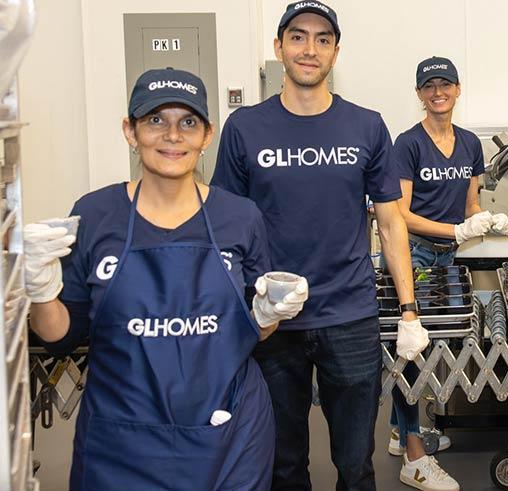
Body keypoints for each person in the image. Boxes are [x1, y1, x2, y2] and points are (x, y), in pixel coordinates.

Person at [24, 68, 308, 490]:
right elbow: (60, 337)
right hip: (120, 443)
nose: (172, 135)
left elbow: (253, 334)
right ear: (130, 130)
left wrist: (269, 314)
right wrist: (41, 290)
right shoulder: (96, 215)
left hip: (227, 438)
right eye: (156, 120)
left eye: (188, 122)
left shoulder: (239, 217)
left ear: (207, 135)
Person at [211, 0, 430, 491]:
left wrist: (409, 310)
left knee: (356, 465)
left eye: (322, 39)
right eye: (298, 37)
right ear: (279, 48)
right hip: (272, 322)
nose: (310, 49)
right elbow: (227, 230)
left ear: (335, 52)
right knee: (282, 464)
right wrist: (240, 307)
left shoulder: (366, 125)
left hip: (349, 315)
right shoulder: (244, 128)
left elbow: (391, 223)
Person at [388, 56, 508, 491]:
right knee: (410, 349)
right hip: (416, 256)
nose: (438, 92)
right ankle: (414, 454)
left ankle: (400, 430)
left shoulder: (470, 143)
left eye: (445, 84)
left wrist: (484, 221)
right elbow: (401, 214)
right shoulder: (407, 144)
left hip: (451, 258)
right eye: (429, 86)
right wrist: (455, 230)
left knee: (432, 347)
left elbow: (470, 203)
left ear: (458, 89)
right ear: (419, 94)